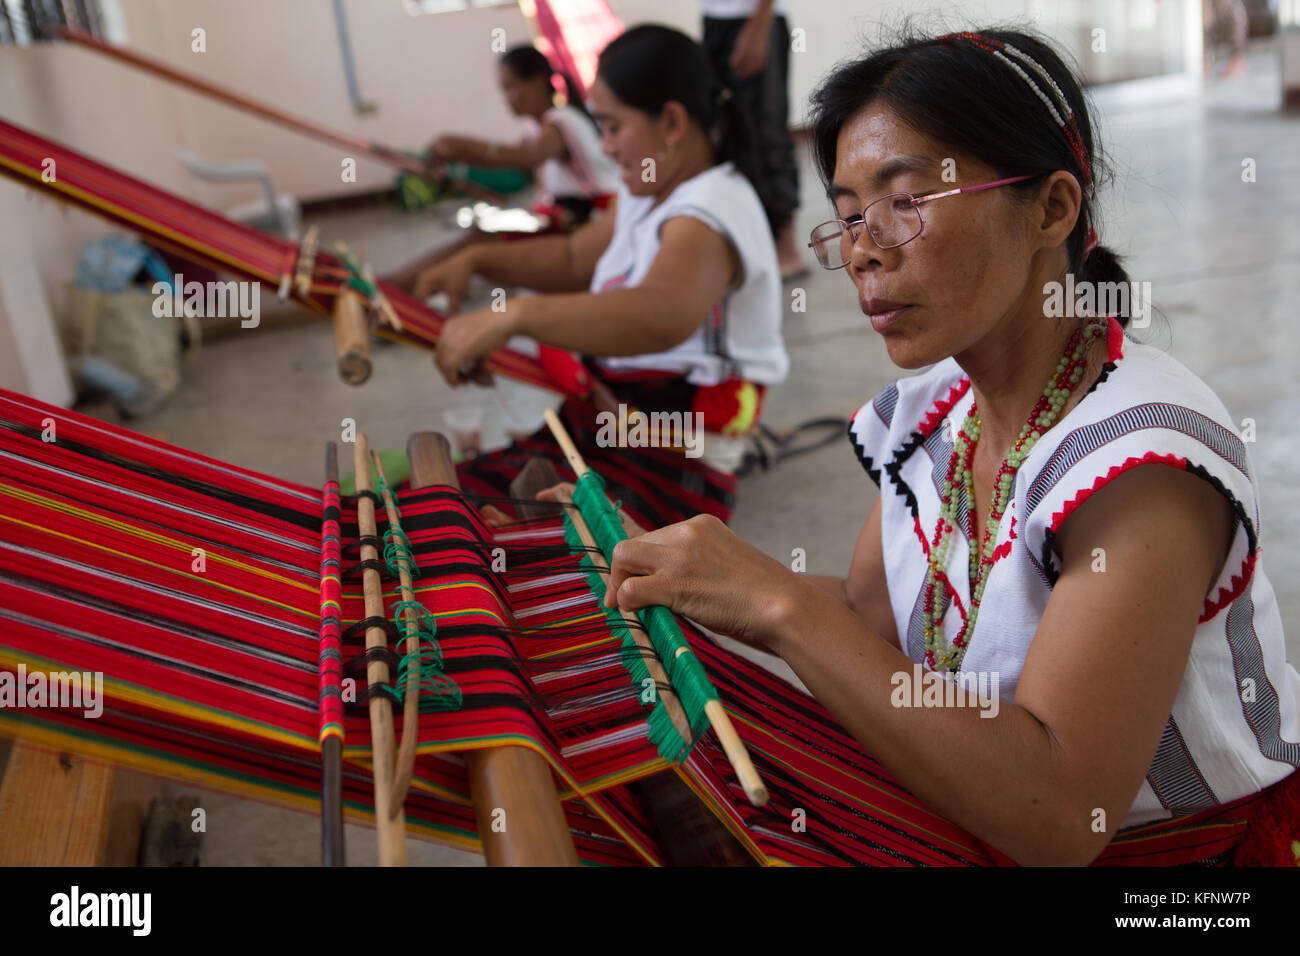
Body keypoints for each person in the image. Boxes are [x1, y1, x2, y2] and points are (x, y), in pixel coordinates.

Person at [598, 28, 1300, 865]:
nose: (861, 249)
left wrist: (777, 606)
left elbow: (1062, 816)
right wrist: (698, 580)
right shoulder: (937, 408)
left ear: (1051, 208)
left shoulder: (1143, 464)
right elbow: (870, 618)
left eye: (905, 202)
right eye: (850, 214)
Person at [422, 24, 789, 529]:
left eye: (613, 127)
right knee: (441, 511)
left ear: (673, 123)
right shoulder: (647, 189)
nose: (607, 147)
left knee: (478, 537)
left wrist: (517, 316)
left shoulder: (708, 207)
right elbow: (575, 258)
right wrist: (480, 260)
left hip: (673, 453)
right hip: (608, 423)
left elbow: (659, 314)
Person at [385, 45, 620, 295]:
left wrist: (458, 146)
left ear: (538, 82)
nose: (507, 98)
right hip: (566, 218)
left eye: (510, 87)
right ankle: (393, 286)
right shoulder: (536, 128)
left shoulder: (561, 122)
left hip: (593, 224)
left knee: (481, 244)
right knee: (481, 237)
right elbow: (512, 168)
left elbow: (523, 158)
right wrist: (455, 179)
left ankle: (391, 289)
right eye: (503, 90)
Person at [700, 0, 807, 279]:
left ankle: (787, 249)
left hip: (754, 20)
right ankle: (752, 243)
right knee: (728, 133)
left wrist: (759, 26)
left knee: (767, 130)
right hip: (715, 18)